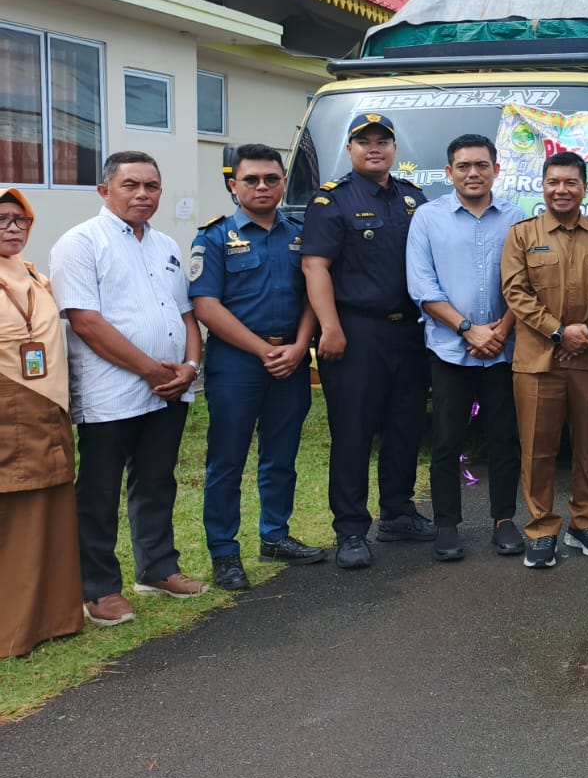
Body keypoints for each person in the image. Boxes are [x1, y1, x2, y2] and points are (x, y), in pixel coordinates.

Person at [51, 152, 208, 624]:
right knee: (99, 491)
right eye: (131, 185)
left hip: (168, 389)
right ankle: (99, 588)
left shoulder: (165, 245)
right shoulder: (79, 243)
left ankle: (158, 568)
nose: (143, 194)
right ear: (105, 191)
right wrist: (151, 370)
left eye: (152, 186)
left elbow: (186, 314)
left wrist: (190, 366)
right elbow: (86, 322)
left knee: (157, 481)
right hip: (110, 393)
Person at [301, 114, 434, 571]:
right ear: (351, 149)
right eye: (364, 142)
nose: (374, 148)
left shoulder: (414, 198)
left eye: (383, 141)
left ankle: (398, 512)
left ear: (394, 148)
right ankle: (351, 529)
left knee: (405, 426)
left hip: (411, 332)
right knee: (354, 433)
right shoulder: (332, 200)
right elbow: (314, 267)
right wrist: (331, 327)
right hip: (356, 332)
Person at [188, 144, 321, 593]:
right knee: (227, 462)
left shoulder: (302, 233)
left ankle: (275, 536)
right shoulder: (213, 237)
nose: (262, 186)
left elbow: (312, 296)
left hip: (292, 362)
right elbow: (206, 305)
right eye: (252, 180)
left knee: (280, 458)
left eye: (271, 178)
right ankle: (225, 552)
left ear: (284, 182)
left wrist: (301, 345)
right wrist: (264, 350)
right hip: (237, 365)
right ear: (233, 185)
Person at [406, 135, 525, 563]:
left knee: (504, 439)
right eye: (463, 166)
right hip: (448, 349)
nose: (472, 173)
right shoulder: (427, 218)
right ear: (448, 172)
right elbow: (421, 286)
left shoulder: (517, 217)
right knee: (445, 441)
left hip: (505, 348)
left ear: (496, 168)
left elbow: (525, 284)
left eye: (481, 164)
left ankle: (504, 521)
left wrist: (499, 330)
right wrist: (467, 329)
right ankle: (447, 524)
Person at [501, 150, 588, 568]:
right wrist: (558, 330)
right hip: (537, 361)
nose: (561, 190)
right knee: (537, 449)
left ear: (584, 188)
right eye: (553, 182)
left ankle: (584, 523)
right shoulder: (522, 235)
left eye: (570, 182)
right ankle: (541, 529)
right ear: (543, 186)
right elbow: (516, 292)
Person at [0, 188, 83, 656]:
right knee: (13, 516)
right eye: (2, 220)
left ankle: (53, 619)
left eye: (20, 220)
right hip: (7, 408)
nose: (13, 228)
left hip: (47, 409)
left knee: (48, 511)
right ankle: (12, 629)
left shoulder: (34, 276)